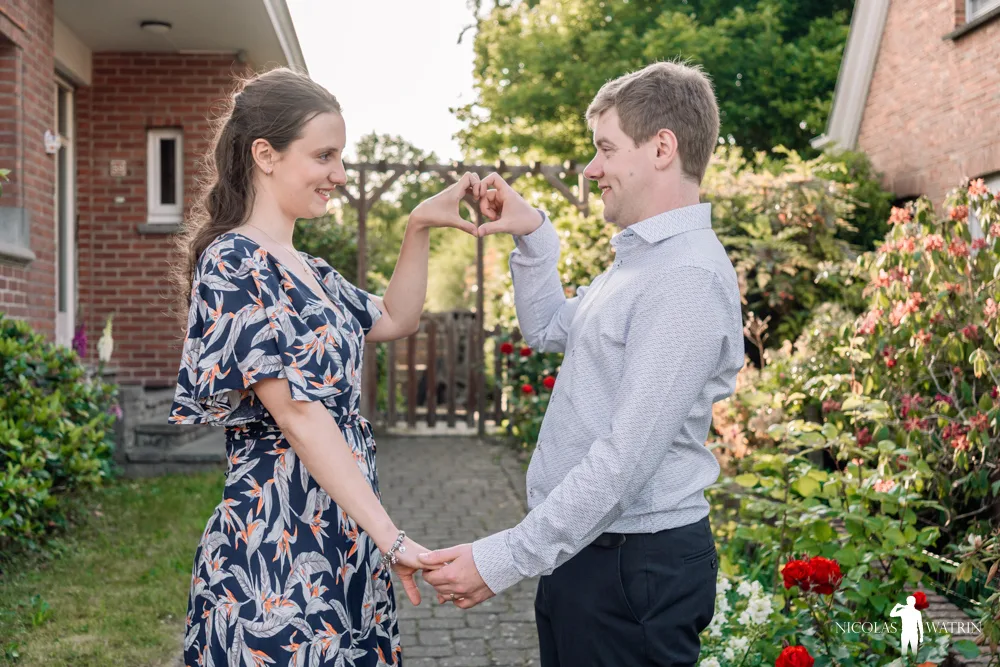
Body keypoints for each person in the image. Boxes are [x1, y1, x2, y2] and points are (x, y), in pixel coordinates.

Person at [419, 61, 746, 666]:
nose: (591, 169)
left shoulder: (686, 279)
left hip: (631, 569)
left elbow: (625, 462)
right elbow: (549, 326)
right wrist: (534, 235)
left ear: (662, 148)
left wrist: (499, 560)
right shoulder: (642, 262)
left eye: (605, 148)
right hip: (590, 554)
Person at [168, 67, 477, 667]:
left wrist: (419, 224)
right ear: (266, 155)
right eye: (324, 156)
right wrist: (393, 538)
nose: (339, 174)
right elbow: (298, 414)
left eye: (340, 156)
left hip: (345, 535)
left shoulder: (311, 269)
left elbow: (395, 318)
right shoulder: (233, 261)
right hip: (276, 547)